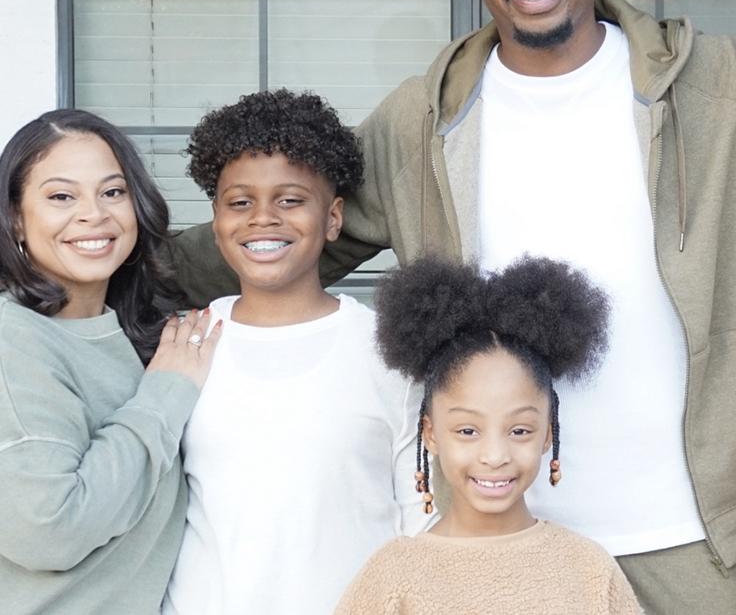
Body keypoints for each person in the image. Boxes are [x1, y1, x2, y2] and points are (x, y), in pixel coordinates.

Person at [168, 0, 736, 612]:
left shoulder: (720, 83)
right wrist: (93, 259)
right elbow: (286, 226)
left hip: (686, 532)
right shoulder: (422, 120)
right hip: (498, 537)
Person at [162, 89, 427, 615]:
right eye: (240, 202)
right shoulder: (186, 343)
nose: (264, 218)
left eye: (290, 200)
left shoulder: (387, 352)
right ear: (215, 223)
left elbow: (419, 519)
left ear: (333, 219)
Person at [0, 109, 218, 615]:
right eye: (61, 197)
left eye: (112, 192)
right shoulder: (14, 341)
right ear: (15, 216)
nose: (93, 214)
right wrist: (165, 393)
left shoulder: (135, 333)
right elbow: (47, 530)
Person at [336, 256, 642, 614]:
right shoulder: (394, 575)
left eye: (519, 430)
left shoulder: (589, 568)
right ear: (431, 434)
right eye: (468, 430)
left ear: (548, 434)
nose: (495, 455)